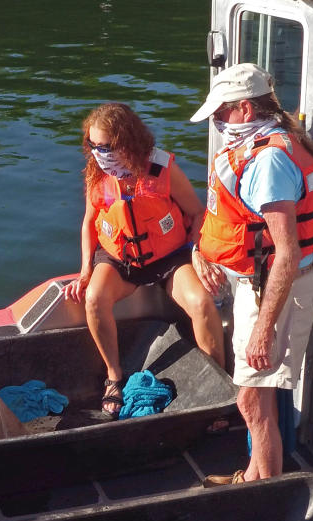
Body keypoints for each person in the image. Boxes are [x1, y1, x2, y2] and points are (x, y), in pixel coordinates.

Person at [188, 64, 313, 485]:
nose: (216, 121)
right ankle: (253, 478)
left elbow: (286, 253)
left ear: (245, 109)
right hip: (260, 284)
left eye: (220, 113)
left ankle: (266, 496)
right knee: (258, 397)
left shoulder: (267, 161)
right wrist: (202, 252)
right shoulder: (273, 141)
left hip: (274, 290)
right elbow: (232, 221)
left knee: (252, 400)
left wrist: (264, 329)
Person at [64, 102, 225, 418]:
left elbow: (196, 212)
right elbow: (88, 223)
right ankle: (114, 376)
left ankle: (217, 388)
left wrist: (197, 252)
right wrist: (85, 270)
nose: (100, 153)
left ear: (128, 141)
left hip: (169, 257)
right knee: (94, 298)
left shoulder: (162, 169)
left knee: (203, 303)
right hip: (119, 259)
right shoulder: (96, 174)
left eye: (107, 147)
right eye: (92, 146)